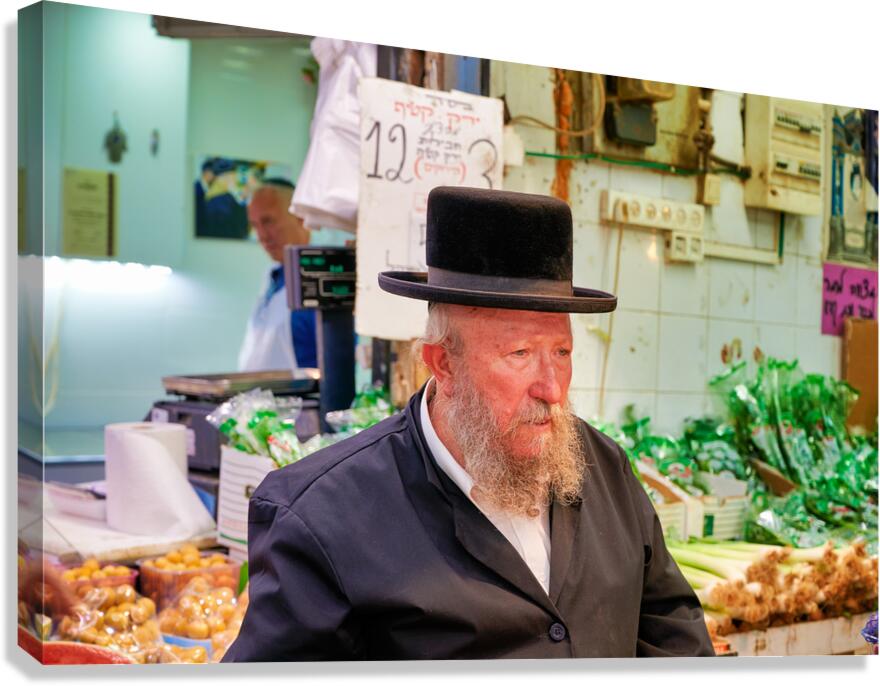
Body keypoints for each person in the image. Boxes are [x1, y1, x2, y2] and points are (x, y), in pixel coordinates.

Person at [223, 186, 714, 660]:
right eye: (520, 354)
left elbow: (674, 634)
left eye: (561, 352)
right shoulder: (320, 519)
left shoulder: (606, 468)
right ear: (443, 363)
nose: (552, 388)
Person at [238, 180, 317, 372]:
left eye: (268, 221)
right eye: (255, 226)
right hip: (257, 400)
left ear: (300, 217)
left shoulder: (318, 279)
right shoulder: (273, 278)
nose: (262, 236)